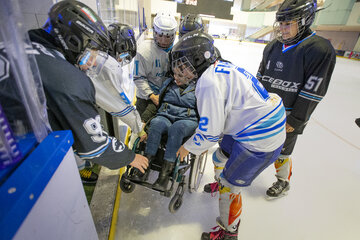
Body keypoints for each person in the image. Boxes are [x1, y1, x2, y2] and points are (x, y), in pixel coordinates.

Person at [174, 31, 286, 240]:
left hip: (259, 136)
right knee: (219, 157)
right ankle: (222, 182)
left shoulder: (207, 81)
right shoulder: (219, 66)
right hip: (261, 120)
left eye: (184, 65)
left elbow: (209, 134)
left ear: (199, 60)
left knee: (230, 185)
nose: (179, 71)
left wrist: (187, 147)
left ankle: (229, 232)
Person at [27, 1, 148, 177]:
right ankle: (82, 171)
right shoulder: (68, 79)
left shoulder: (26, 44)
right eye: (92, 51)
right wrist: (130, 152)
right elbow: (95, 143)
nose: (91, 62)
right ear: (74, 41)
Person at [256, 0, 336, 199]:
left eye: (288, 23)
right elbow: (259, 77)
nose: (282, 28)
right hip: (265, 109)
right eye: (281, 23)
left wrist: (296, 120)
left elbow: (313, 91)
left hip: (289, 113)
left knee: (283, 151)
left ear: (305, 21)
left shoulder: (320, 49)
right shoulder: (273, 46)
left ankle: (283, 181)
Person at [132, 77, 198, 191]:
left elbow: (206, 112)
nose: (177, 77)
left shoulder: (200, 88)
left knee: (176, 129)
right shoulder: (168, 83)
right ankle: (144, 167)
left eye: (180, 74)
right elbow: (156, 103)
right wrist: (143, 120)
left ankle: (164, 175)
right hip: (165, 115)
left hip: (188, 120)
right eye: (176, 73)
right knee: (156, 123)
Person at [79, 23, 144, 138]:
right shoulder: (107, 64)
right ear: (119, 46)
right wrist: (138, 128)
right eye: (123, 56)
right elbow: (118, 102)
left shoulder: (92, 50)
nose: (120, 60)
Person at [133, 12, 177, 125]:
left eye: (167, 36)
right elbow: (138, 78)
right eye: (160, 35)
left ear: (173, 35)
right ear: (154, 32)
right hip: (145, 98)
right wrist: (152, 96)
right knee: (141, 128)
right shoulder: (143, 51)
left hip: (165, 97)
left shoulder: (177, 51)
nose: (163, 40)